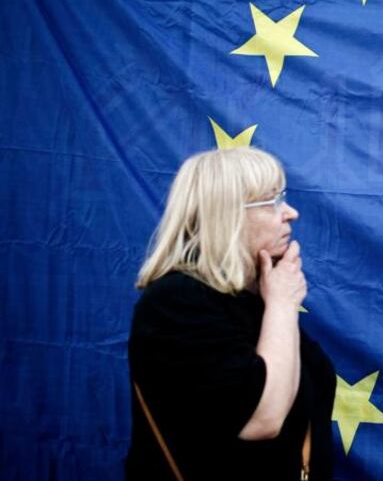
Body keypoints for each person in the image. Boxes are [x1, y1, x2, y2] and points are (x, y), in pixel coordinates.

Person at [125, 147, 335, 480]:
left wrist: (277, 302)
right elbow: (262, 420)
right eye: (272, 201)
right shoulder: (178, 301)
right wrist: (283, 304)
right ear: (227, 215)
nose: (291, 213)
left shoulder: (255, 298)